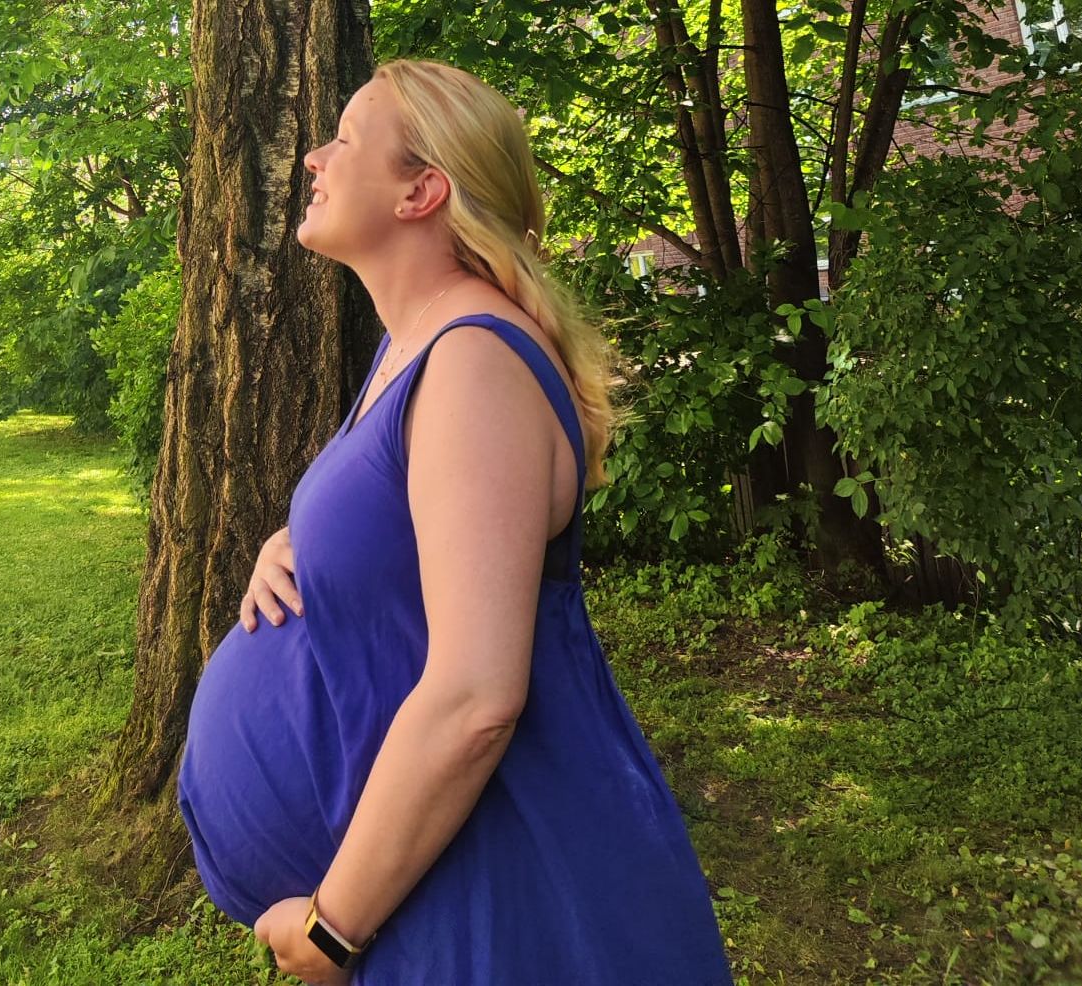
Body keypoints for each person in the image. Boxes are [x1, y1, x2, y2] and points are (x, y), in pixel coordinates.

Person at [176, 59, 733, 985]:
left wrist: (331, 928)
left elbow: (477, 695)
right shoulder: (415, 342)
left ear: (421, 192)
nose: (315, 157)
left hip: (494, 893)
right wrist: (297, 544)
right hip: (434, 879)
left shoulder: (474, 360)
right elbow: (406, 529)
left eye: (345, 139)